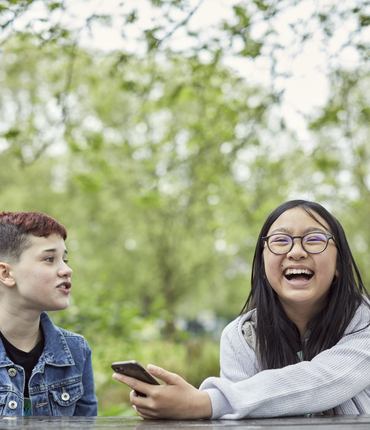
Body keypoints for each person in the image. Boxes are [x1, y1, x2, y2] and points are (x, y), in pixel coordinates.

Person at [113, 200, 370, 419]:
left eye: (314, 239)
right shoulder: (240, 336)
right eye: (280, 240)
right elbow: (243, 419)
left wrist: (205, 403)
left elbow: (321, 382)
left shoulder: (365, 323)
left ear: (340, 263)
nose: (297, 251)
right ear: (263, 262)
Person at [0, 211, 98, 416]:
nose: (66, 270)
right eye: (49, 258)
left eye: (65, 260)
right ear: (6, 274)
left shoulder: (76, 350)